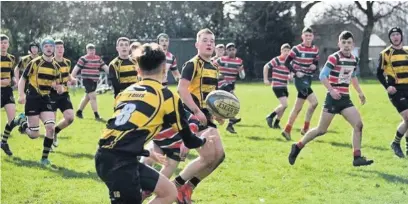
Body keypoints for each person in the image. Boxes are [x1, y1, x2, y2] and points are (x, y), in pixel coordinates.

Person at [95, 43, 208, 204]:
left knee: (168, 192)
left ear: (138, 70)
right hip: (119, 162)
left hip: (112, 155)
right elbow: (189, 139)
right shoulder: (167, 96)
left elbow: (125, 129)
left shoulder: (125, 93)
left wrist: (146, 152)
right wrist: (202, 140)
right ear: (164, 68)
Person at [288, 31, 374, 167]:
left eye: (349, 42)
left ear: (353, 44)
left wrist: (360, 92)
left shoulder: (354, 59)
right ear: (339, 43)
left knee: (358, 125)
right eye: (343, 42)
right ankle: (298, 146)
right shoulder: (334, 58)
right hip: (333, 99)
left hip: (345, 99)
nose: (346, 45)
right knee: (321, 130)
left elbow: (353, 77)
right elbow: (322, 75)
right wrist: (332, 90)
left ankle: (357, 157)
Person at [175, 28, 226, 203]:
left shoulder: (214, 66)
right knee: (207, 157)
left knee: (219, 156)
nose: (209, 43)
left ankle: (188, 188)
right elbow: (181, 89)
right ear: (197, 44)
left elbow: (214, 95)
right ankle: (176, 186)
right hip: (192, 116)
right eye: (205, 40)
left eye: (212, 40)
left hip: (207, 117)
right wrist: (196, 111)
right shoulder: (192, 64)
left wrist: (218, 114)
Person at [17, 38, 64, 165]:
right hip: (32, 98)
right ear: (42, 49)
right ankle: (22, 122)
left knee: (50, 128)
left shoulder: (57, 67)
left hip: (46, 98)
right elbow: (23, 79)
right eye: (46, 46)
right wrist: (21, 95)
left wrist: (60, 88)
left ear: (54, 48)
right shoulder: (35, 62)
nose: (49, 48)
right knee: (34, 135)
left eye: (51, 46)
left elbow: (59, 85)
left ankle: (44, 158)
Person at [281, 27, 320, 140]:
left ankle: (287, 130)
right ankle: (305, 128)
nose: (308, 38)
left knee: (297, 107)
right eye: (306, 35)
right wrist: (296, 72)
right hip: (300, 80)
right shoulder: (296, 49)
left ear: (312, 37)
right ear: (302, 36)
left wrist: (314, 67)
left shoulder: (315, 49)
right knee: (314, 102)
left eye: (310, 36)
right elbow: (286, 62)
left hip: (308, 79)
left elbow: (315, 64)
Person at [376, 27, 408, 158]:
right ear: (390, 38)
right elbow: (379, 73)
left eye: (397, 34)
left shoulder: (407, 50)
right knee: (407, 117)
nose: (395, 37)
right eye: (393, 35)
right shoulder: (385, 53)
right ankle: (395, 143)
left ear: (401, 36)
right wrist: (387, 86)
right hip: (396, 90)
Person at [71, 43, 109, 121]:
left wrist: (113, 74)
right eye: (90, 50)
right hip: (87, 80)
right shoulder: (83, 59)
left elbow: (105, 67)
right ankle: (97, 115)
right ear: (87, 50)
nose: (91, 51)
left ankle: (79, 112)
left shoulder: (98, 58)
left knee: (87, 97)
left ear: (95, 50)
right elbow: (76, 68)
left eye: (93, 49)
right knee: (93, 97)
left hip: (95, 80)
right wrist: (71, 78)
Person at [50, 39, 76, 148]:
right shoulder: (49, 63)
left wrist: (72, 79)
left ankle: (56, 131)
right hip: (51, 94)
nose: (60, 50)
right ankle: (48, 145)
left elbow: (67, 74)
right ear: (53, 50)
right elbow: (46, 78)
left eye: (61, 47)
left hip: (64, 94)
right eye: (57, 48)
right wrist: (55, 86)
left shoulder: (67, 62)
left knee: (70, 118)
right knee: (51, 121)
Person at [214, 42, 245, 133]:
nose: (231, 51)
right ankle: (230, 119)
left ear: (235, 50)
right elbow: (212, 67)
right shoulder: (221, 60)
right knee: (234, 101)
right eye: (229, 50)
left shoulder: (239, 61)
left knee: (228, 104)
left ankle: (230, 123)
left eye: (233, 49)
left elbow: (243, 76)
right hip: (221, 84)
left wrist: (240, 71)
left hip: (230, 85)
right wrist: (218, 75)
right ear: (226, 51)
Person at [0, 34, 20, 156]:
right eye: (1, 42)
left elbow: (12, 73)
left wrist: (15, 80)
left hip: (7, 91)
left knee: (12, 119)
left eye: (5, 42)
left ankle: (3, 142)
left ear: (8, 44)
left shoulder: (11, 58)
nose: (3, 44)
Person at [264, 43, 292, 129]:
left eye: (288, 51)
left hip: (284, 85)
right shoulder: (277, 59)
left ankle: (276, 123)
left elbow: (291, 72)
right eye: (284, 51)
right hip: (277, 85)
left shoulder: (289, 62)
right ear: (281, 51)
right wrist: (266, 79)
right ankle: (270, 116)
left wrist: (290, 76)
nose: (286, 53)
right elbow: (266, 67)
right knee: (284, 104)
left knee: (283, 106)